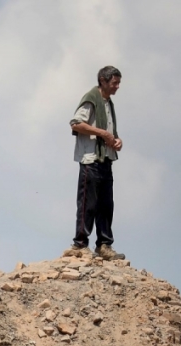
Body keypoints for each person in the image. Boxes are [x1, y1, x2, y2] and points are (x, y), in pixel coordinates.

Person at [66, 65, 125, 261]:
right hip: (90, 159)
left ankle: (104, 245)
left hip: (105, 159)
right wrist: (102, 133)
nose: (117, 86)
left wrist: (116, 140)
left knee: (106, 204)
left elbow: (109, 131)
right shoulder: (91, 99)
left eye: (118, 83)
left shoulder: (108, 103)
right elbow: (76, 124)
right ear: (103, 81)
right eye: (114, 82)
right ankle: (80, 244)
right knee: (87, 204)